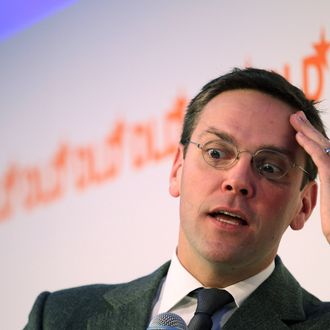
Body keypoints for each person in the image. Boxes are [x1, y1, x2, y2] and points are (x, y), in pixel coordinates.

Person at [24, 68, 330, 329]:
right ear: (176, 169)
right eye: (215, 153)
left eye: (268, 167)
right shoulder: (58, 317)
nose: (237, 180)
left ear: (304, 205)